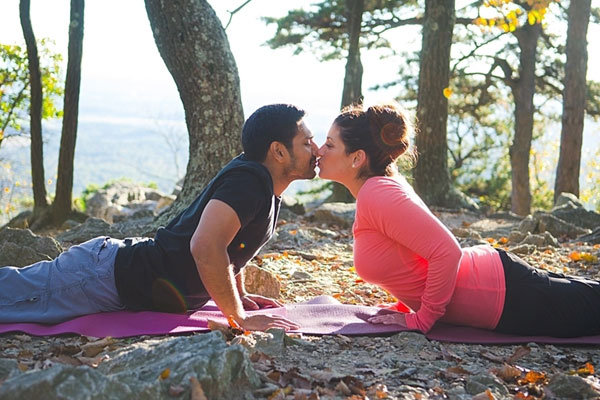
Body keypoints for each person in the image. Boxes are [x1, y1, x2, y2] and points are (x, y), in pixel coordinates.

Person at [0, 104, 319, 332]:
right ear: (278, 151)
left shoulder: (260, 184)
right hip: (102, 277)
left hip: (112, 280)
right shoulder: (249, 183)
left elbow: (233, 245)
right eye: (306, 142)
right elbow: (206, 246)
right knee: (10, 296)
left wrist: (242, 296)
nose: (316, 149)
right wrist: (239, 317)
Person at [316, 102, 600, 338]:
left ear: (357, 158)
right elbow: (409, 256)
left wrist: (422, 320)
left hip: (502, 294)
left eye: (329, 144)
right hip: (497, 288)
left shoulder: (377, 194)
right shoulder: (377, 189)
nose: (319, 150)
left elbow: (446, 251)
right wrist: (407, 306)